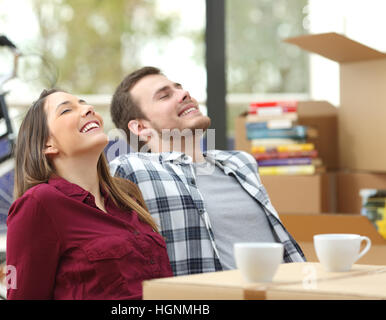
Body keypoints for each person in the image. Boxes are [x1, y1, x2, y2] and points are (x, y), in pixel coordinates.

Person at [109, 66, 306, 276]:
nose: (184, 94)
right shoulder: (132, 169)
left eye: (179, 88)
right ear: (140, 128)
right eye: (165, 95)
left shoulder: (240, 163)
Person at [6, 88, 172, 300]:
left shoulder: (127, 196)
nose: (88, 109)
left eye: (85, 103)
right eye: (66, 110)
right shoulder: (39, 203)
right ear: (47, 144)